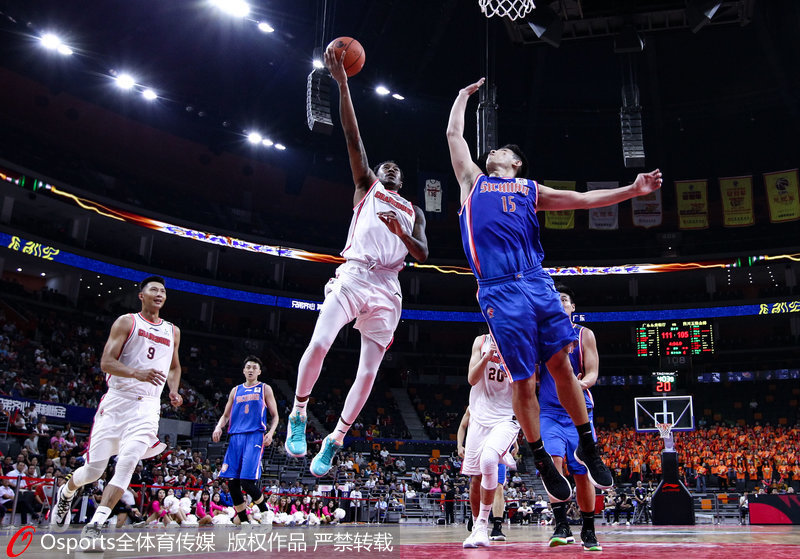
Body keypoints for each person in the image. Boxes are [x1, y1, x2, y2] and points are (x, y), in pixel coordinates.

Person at [447, 79, 661, 500]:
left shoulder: (530, 190)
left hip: (536, 280)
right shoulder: (472, 181)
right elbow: (454, 135)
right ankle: (541, 458)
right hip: (499, 291)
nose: (492, 151)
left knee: (562, 365)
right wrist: (461, 98)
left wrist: (633, 190)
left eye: (501, 150)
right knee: (524, 380)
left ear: (516, 163)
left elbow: (583, 200)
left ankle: (589, 445)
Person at [284, 43, 429, 477]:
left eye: (396, 169)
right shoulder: (367, 186)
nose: (390, 169)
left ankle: (335, 439)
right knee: (320, 343)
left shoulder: (414, 211)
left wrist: (402, 232)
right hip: (354, 274)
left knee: (368, 373)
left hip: (388, 287)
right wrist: (343, 84)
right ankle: (298, 412)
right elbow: (352, 137)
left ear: (402, 180)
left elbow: (422, 253)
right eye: (385, 166)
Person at [50, 276, 182, 548]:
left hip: (147, 406)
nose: (159, 294)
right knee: (93, 471)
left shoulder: (173, 331)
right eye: (154, 290)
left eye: (163, 291)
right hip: (117, 401)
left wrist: (173, 390)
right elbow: (106, 362)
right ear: (142, 295)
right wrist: (136, 373)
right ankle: (67, 491)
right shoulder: (126, 322)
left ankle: (96, 525)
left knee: (129, 460)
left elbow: (174, 366)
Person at [539, 285, 603, 550]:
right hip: (549, 412)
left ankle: (588, 529)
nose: (560, 302)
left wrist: (583, 384)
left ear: (572, 307)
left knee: (582, 471)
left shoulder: (585, 334)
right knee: (552, 463)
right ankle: (561, 525)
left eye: (564, 299)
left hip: (578, 410)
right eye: (556, 299)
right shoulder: (540, 335)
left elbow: (592, 372)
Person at [457, 332, 520, 549]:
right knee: (475, 478)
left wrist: (507, 362)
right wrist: (487, 357)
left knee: (489, 460)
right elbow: (472, 379)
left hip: (506, 416)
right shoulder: (481, 341)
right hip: (479, 416)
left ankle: (485, 524)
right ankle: (477, 527)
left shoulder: (519, 339)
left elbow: (530, 379)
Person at [212, 355, 279, 525]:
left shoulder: (264, 388)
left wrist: (271, 433)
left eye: (254, 368)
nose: (251, 370)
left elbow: (275, 416)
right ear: (243, 370)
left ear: (259, 372)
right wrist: (218, 427)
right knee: (232, 482)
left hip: (254, 436)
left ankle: (265, 511)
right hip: (235, 437)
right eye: (248, 367)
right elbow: (225, 415)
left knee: (246, 482)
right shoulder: (235, 390)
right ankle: (243, 521)